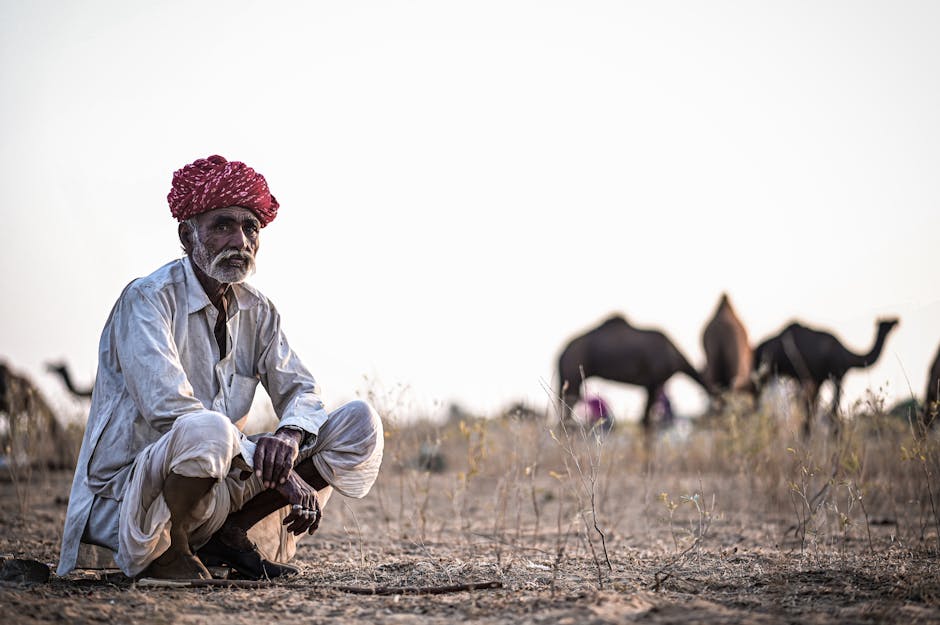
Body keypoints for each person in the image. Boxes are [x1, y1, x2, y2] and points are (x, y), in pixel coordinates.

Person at [57, 155, 384, 581]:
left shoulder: (258, 310)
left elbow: (303, 392)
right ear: (187, 235)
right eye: (223, 225)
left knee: (360, 422)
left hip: (218, 486)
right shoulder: (148, 299)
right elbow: (171, 410)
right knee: (206, 429)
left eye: (251, 228)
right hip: (133, 498)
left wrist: (286, 438)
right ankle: (170, 553)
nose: (240, 240)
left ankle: (230, 535)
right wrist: (271, 466)